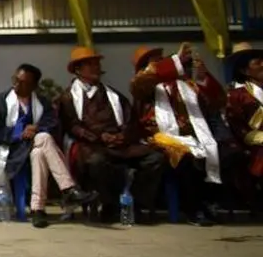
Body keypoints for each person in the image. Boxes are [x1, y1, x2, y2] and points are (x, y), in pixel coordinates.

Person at [57, 46, 164, 223]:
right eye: (90, 65)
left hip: (121, 144)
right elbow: (71, 125)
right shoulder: (68, 97)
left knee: (155, 158)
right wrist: (99, 137)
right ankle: (110, 205)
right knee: (97, 162)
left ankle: (135, 204)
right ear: (78, 70)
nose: (95, 68)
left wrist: (124, 136)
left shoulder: (114, 95)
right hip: (91, 145)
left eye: (97, 64)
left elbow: (131, 121)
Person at [0, 63, 96, 228]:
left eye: (23, 82)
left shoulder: (42, 102)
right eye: (16, 79)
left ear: (34, 86)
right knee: (43, 141)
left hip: (35, 146)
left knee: (39, 150)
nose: (17, 84)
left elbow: (52, 122)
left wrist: (36, 128)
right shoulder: (1, 101)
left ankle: (37, 209)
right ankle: (68, 189)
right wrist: (19, 132)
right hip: (13, 149)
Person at [130, 44, 229, 226]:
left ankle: (210, 202)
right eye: (156, 62)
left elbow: (218, 101)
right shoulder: (145, 88)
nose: (162, 64)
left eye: (163, 60)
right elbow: (142, 82)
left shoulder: (188, 86)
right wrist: (173, 62)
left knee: (222, 152)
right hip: (161, 139)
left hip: (195, 137)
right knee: (186, 157)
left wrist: (203, 77)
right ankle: (193, 209)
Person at [224, 42, 263, 214]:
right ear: (245, 71)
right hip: (250, 141)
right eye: (258, 63)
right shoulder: (237, 95)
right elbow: (237, 125)